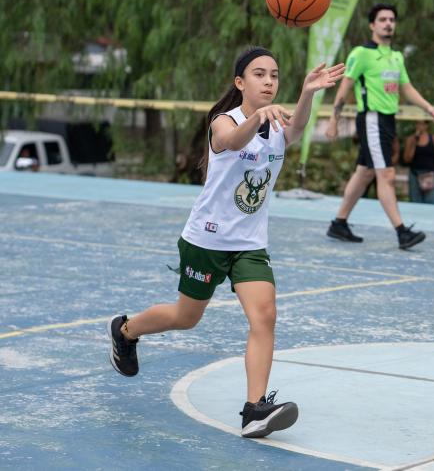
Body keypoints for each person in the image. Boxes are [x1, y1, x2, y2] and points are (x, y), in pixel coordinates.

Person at [106, 47, 345, 439]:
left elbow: (297, 129)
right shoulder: (224, 121)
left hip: (249, 244)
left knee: (265, 315)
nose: (269, 81)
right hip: (207, 240)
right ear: (240, 82)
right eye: (259, 74)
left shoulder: (278, 125)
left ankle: (254, 410)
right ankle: (125, 329)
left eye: (275, 75)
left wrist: (307, 93)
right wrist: (256, 117)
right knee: (187, 317)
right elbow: (233, 141)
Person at [325, 3, 434, 249]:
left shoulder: (396, 57)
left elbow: (406, 88)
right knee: (386, 175)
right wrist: (334, 120)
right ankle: (402, 232)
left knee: (365, 172)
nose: (388, 23)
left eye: (391, 19)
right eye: (382, 19)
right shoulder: (361, 54)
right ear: (372, 25)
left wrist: (428, 107)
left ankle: (339, 223)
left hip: (388, 121)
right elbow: (345, 87)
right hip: (372, 119)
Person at [403, 120, 434, 204]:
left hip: (429, 175)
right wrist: (414, 142)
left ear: (427, 126)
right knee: (415, 203)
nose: (419, 126)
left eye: (422, 124)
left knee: (432, 202)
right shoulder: (410, 139)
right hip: (414, 174)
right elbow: (407, 159)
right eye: (417, 123)